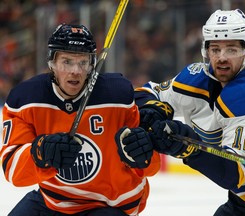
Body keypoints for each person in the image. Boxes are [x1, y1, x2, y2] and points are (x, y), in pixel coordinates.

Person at [118, 9, 245, 216]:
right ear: (205, 49)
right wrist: (153, 111)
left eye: (232, 49)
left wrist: (187, 145)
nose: (222, 58)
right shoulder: (194, 79)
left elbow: (234, 173)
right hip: (243, 200)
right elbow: (146, 93)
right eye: (215, 49)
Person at [0, 23, 161, 216]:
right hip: (54, 201)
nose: (75, 70)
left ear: (92, 64)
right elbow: (12, 171)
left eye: (83, 62)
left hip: (109, 205)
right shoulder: (25, 100)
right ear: (52, 63)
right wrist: (41, 152)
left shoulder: (117, 95)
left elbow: (150, 166)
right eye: (67, 62)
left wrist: (142, 156)